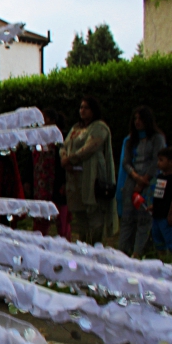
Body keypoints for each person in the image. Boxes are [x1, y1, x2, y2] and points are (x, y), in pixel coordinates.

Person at [61, 96, 117, 245]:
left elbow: (90, 147)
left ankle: (94, 244)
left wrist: (71, 158)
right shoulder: (76, 128)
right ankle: (83, 242)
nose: (82, 110)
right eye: (81, 107)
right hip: (74, 177)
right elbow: (64, 145)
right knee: (80, 215)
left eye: (86, 107)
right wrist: (64, 158)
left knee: (94, 214)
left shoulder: (99, 127)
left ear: (93, 110)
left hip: (91, 176)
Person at [118, 106, 166, 257]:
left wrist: (144, 179)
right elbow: (126, 162)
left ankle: (138, 252)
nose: (137, 122)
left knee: (143, 218)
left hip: (150, 181)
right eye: (135, 119)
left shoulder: (157, 138)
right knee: (127, 217)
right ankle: (122, 251)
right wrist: (136, 177)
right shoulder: (130, 140)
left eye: (140, 119)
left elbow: (156, 160)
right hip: (133, 178)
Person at [32, 109, 71, 239]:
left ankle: (65, 243)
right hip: (41, 185)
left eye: (45, 119)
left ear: (53, 121)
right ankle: (39, 239)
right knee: (41, 216)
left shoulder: (61, 138)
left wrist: (65, 182)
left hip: (56, 183)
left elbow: (64, 162)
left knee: (61, 217)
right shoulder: (38, 138)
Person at [150, 146, 172, 263]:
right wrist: (154, 206)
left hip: (167, 217)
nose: (159, 163)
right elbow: (159, 195)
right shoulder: (160, 177)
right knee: (159, 241)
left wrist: (171, 214)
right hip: (157, 215)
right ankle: (161, 262)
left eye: (161, 160)